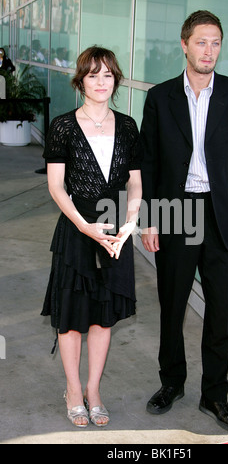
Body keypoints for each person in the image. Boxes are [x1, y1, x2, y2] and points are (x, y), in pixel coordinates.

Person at [140, 11, 228, 432]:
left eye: (216, 43)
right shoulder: (160, 97)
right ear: (185, 45)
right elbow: (149, 162)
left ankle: (215, 396)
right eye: (202, 42)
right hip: (176, 210)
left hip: (220, 213)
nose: (209, 51)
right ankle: (171, 383)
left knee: (220, 311)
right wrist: (149, 219)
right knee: (172, 304)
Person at [42, 46, 142, 428]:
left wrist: (130, 224)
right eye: (93, 75)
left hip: (116, 232)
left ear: (116, 79)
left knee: (103, 318)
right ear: (80, 80)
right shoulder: (64, 126)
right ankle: (72, 390)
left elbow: (135, 185)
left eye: (107, 75)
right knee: (70, 318)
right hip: (76, 230)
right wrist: (84, 226)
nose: (101, 82)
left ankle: (94, 390)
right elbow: (56, 187)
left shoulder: (128, 126)